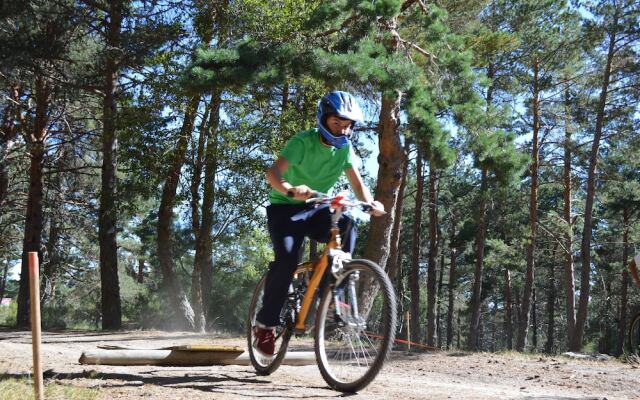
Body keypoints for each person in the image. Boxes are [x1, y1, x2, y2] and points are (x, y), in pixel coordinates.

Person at [252, 90, 385, 357]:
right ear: (323, 118)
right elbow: (273, 173)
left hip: (316, 208)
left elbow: (356, 181)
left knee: (347, 226)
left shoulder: (344, 148)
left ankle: (330, 292)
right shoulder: (301, 142)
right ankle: (265, 325)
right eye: (337, 122)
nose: (342, 129)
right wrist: (290, 189)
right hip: (285, 209)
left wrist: (371, 202)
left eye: (347, 124)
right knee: (288, 260)